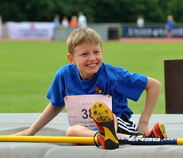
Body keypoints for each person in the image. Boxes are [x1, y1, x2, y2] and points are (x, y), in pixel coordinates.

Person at [13, 28, 167, 150]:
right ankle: (133, 139)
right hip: (87, 131)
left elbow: (154, 85)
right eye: (84, 54)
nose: (92, 58)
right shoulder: (64, 75)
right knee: (72, 132)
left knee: (109, 117)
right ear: (71, 59)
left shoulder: (112, 74)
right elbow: (56, 104)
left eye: (96, 52)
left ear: (102, 52)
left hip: (118, 124)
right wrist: (31, 131)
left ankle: (123, 136)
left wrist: (143, 122)